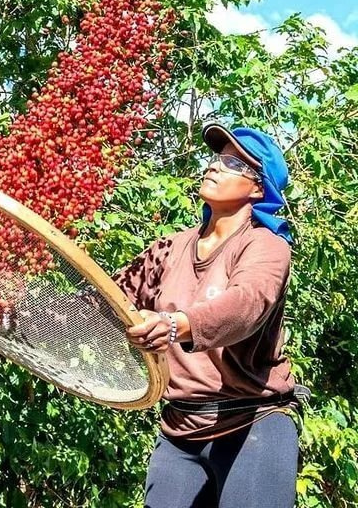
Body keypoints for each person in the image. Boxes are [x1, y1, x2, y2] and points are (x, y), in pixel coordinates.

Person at [114, 123, 303, 508]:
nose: (216, 166)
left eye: (234, 163)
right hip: (179, 430)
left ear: (257, 188)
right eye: (217, 158)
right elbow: (110, 299)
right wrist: (15, 313)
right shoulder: (170, 248)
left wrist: (174, 324)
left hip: (252, 424)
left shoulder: (266, 246)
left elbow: (245, 305)